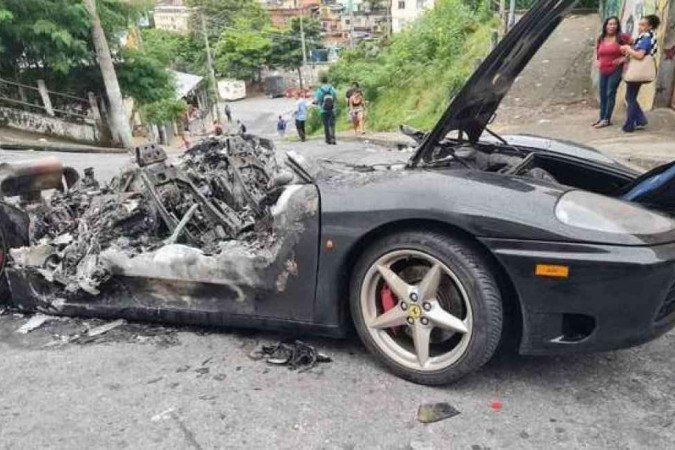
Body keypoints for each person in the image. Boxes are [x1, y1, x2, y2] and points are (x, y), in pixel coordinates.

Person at [620, 14, 660, 133]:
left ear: (650, 26)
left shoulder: (646, 38)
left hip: (638, 71)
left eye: (643, 25)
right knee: (630, 97)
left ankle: (629, 125)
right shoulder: (648, 36)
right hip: (639, 71)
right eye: (640, 24)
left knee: (630, 98)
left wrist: (628, 49)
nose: (639, 27)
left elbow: (640, 55)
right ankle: (640, 120)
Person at [593, 16, 631, 128]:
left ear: (617, 26)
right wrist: (597, 60)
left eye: (614, 24)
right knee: (602, 94)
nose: (612, 26)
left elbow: (636, 46)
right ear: (605, 25)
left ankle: (606, 119)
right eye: (610, 24)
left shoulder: (621, 38)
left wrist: (625, 58)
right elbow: (597, 51)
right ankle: (601, 117)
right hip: (602, 70)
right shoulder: (601, 38)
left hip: (615, 70)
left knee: (610, 93)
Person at [314, 74, 337, 145]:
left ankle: (328, 140)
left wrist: (315, 103)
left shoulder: (319, 90)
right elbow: (335, 98)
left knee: (326, 125)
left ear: (321, 81)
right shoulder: (332, 89)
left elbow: (317, 101)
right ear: (327, 81)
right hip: (332, 109)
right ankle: (333, 138)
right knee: (332, 124)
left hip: (323, 110)